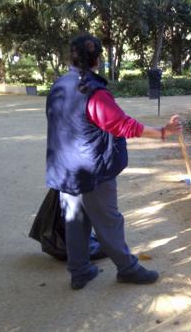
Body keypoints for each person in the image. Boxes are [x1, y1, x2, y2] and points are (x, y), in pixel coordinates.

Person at [45, 33, 182, 289]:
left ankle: (80, 272)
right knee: (108, 220)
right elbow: (122, 125)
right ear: (96, 59)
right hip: (91, 170)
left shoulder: (58, 86)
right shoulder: (92, 91)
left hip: (64, 168)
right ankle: (128, 269)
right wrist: (162, 132)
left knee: (76, 219)